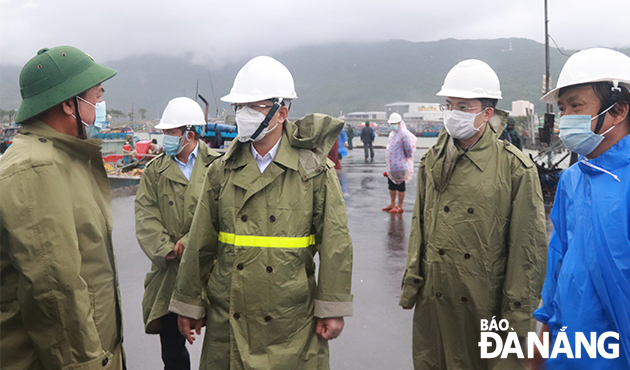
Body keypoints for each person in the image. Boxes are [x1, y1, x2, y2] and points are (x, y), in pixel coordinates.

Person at [168, 56, 353, 370]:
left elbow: (336, 243)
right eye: (240, 107)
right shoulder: (221, 171)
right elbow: (201, 241)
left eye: (254, 107)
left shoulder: (314, 172)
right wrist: (188, 303)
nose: (243, 115)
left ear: (281, 113)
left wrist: (332, 306)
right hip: (230, 311)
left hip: (290, 316)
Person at [399, 59, 547, 370]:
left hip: (486, 304)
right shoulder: (431, 162)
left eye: (464, 106)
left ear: (487, 113)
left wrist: (518, 315)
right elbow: (420, 229)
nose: (453, 113)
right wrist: (413, 283)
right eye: (449, 104)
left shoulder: (515, 168)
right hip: (435, 302)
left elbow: (527, 250)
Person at [0, 46, 125, 369]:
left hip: (98, 352)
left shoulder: (67, 160)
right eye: (96, 97)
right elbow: (55, 290)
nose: (101, 107)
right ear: (69, 104)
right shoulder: (36, 169)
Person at [532, 48, 630, 369]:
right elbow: (558, 267)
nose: (565, 118)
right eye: (562, 108)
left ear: (619, 110)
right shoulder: (572, 179)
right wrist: (540, 345)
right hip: (568, 353)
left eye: (576, 106)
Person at [135, 97, 221, 370]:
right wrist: (168, 248)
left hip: (212, 268)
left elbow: (225, 215)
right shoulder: (154, 172)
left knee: (222, 342)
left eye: (170, 133)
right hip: (170, 272)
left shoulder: (219, 166)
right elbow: (145, 215)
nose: (164, 139)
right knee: (173, 352)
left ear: (190, 135)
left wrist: (191, 242)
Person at [382, 113, 416, 213]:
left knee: (400, 185)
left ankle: (399, 206)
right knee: (391, 185)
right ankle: (392, 203)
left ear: (400, 123)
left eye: (394, 123)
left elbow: (409, 149)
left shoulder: (404, 134)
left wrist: (405, 159)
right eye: (391, 123)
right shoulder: (392, 134)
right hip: (392, 166)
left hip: (401, 165)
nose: (393, 125)